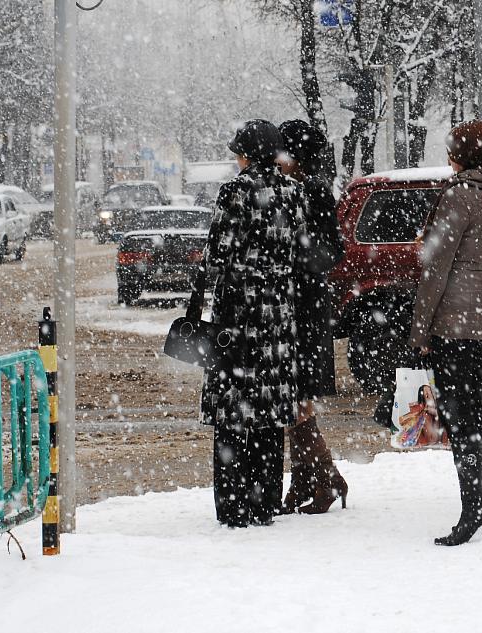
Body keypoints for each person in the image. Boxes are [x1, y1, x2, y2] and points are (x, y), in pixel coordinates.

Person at [409, 119, 482, 546]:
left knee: (461, 415)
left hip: (453, 320)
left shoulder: (458, 196)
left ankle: (472, 507)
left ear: (456, 155)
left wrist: (420, 330)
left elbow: (436, 268)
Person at [199, 119, 306, 527]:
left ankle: (233, 504)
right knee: (269, 413)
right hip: (278, 314)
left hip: (239, 316)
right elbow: (297, 250)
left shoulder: (235, 191)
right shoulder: (293, 192)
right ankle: (263, 502)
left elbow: (217, 254)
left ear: (245, 154)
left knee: (233, 412)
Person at [277, 119, 349, 513]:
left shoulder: (315, 192)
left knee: (296, 399)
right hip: (297, 304)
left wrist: (295, 260)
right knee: (294, 399)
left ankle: (324, 478)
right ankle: (314, 480)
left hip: (304, 306)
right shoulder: (296, 190)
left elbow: (331, 250)